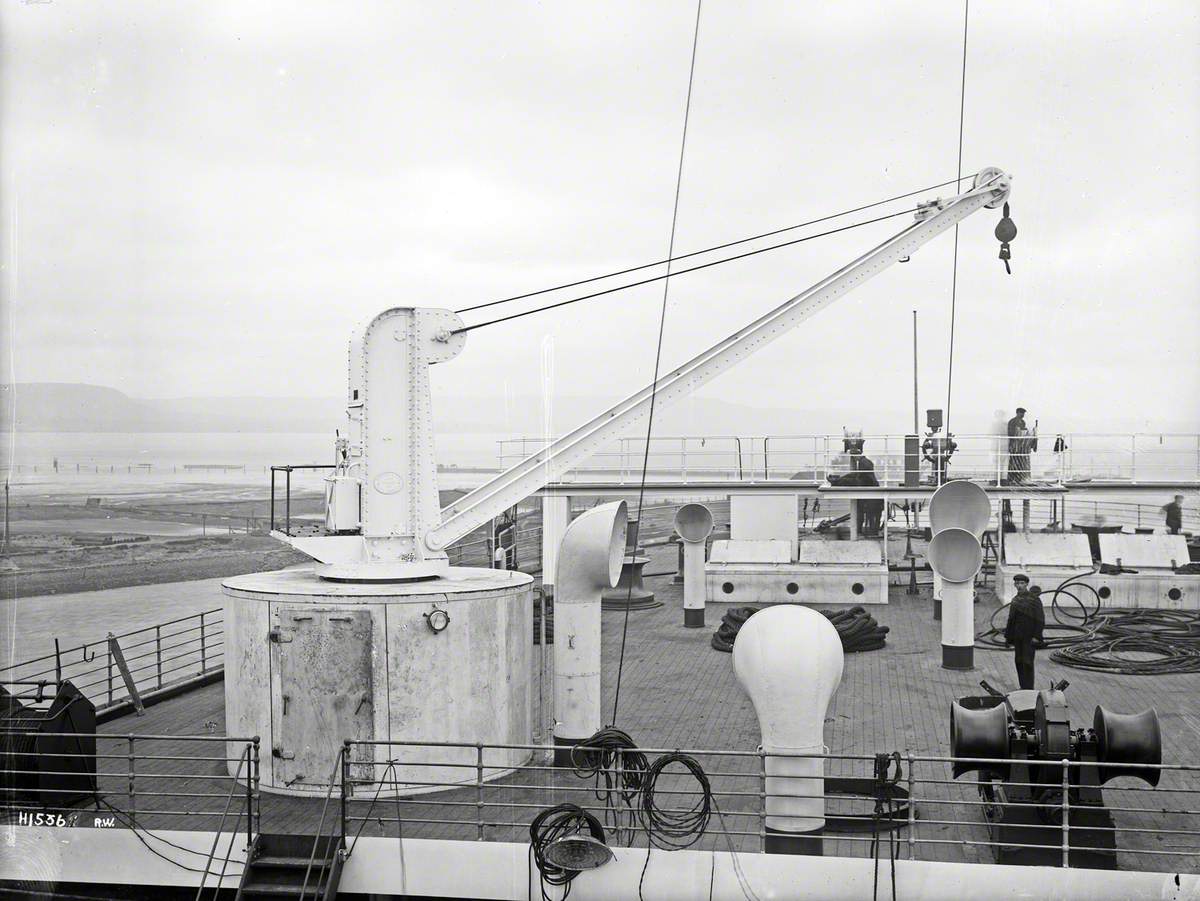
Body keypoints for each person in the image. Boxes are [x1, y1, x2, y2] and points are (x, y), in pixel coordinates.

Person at [1004, 575, 1045, 690]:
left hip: (1029, 636)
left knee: (1027, 662)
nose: (1019, 586)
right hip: (1018, 636)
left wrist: (1037, 636)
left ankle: (1029, 688)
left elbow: (1040, 619)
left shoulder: (1034, 599)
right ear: (1014, 585)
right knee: (1019, 661)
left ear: (1027, 584)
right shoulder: (1015, 600)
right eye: (1017, 583)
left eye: (1022, 583)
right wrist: (1008, 637)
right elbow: (1011, 619)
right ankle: (1023, 686)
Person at [1006, 407, 1036, 485]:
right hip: (1014, 445)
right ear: (1017, 413)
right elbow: (1011, 434)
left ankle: (1019, 479)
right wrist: (1019, 432)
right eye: (1021, 413)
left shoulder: (1022, 422)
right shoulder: (1012, 421)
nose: (1023, 415)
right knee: (1013, 462)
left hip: (1022, 446)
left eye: (1023, 413)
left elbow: (1023, 430)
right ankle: (1012, 479)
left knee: (1020, 463)